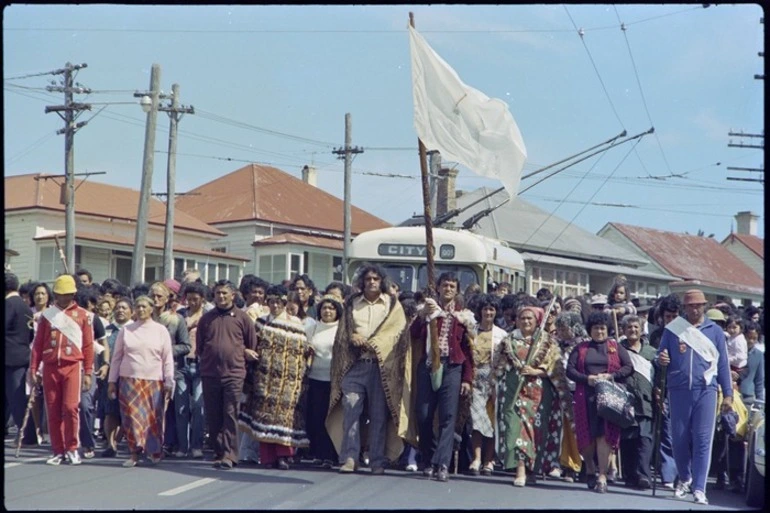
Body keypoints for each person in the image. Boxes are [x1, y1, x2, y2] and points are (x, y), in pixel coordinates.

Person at [327, 264, 410, 476]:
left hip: (382, 368)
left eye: (375, 279)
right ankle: (350, 458)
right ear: (362, 282)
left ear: (381, 281)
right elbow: (343, 333)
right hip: (354, 365)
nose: (372, 282)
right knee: (350, 409)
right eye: (368, 279)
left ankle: (376, 460)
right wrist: (352, 336)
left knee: (378, 415)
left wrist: (377, 344)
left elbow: (398, 334)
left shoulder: (392, 305)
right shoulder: (351, 304)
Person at [657, 289, 733, 505]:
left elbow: (723, 365)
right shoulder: (674, 329)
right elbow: (661, 355)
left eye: (698, 305)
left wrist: (727, 394)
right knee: (679, 438)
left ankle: (699, 487)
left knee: (702, 440)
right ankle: (685, 477)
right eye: (690, 305)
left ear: (704, 306)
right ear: (685, 307)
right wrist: (662, 358)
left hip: (706, 390)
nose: (694, 308)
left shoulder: (715, 331)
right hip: (679, 389)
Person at [494, 305, 573, 487]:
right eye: (522, 318)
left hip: (538, 395)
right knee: (515, 429)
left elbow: (555, 369)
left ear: (537, 321)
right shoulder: (509, 340)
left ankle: (532, 469)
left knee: (535, 433)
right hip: (513, 392)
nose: (526, 322)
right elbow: (498, 366)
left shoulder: (547, 342)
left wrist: (536, 371)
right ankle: (520, 469)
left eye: (530, 319)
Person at [411, 272, 475, 482]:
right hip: (429, 366)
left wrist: (467, 378)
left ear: (457, 291)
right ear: (438, 288)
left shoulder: (463, 316)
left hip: (453, 367)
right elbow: (413, 334)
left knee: (448, 417)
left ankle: (442, 463)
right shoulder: (427, 310)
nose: (448, 289)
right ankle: (428, 459)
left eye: (452, 286)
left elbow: (468, 350)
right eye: (445, 285)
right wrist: (424, 317)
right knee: (424, 414)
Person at [238, 284, 311, 469]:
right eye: (271, 302)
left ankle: (284, 457)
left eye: (278, 302)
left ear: (285, 303)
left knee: (285, 418)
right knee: (265, 417)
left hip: (289, 381)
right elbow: (253, 346)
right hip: (264, 379)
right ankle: (268, 457)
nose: (275, 306)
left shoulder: (296, 324)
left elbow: (301, 355)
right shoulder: (261, 322)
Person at [29, 274, 95, 466]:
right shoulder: (47, 315)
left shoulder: (83, 315)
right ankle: (58, 450)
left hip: (73, 366)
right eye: (60, 294)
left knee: (70, 407)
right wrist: (34, 368)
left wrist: (89, 372)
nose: (63, 297)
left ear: (73, 293)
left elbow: (89, 346)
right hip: (50, 367)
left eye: (67, 294)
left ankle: (72, 448)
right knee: (53, 409)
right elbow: (38, 344)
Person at [566, 311, 633, 494]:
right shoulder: (580, 348)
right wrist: (587, 379)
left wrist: (611, 376)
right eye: (596, 328)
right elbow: (570, 370)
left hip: (608, 398)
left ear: (607, 329)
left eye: (602, 328)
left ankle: (602, 475)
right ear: (590, 330)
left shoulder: (616, 347)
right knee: (587, 436)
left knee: (604, 435)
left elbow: (628, 368)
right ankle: (589, 468)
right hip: (585, 397)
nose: (599, 332)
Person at [107, 295, 174, 467]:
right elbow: (116, 357)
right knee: (131, 418)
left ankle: (154, 451)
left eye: (144, 306)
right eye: (138, 306)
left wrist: (169, 381)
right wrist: (112, 381)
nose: (141, 309)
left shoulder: (161, 330)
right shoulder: (126, 330)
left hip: (154, 381)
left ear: (152, 309)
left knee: (153, 419)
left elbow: (167, 358)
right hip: (129, 381)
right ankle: (134, 454)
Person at [197, 280, 258, 470]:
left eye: (225, 293)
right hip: (210, 373)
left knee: (230, 413)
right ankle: (218, 452)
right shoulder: (206, 319)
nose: (221, 297)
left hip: (234, 373)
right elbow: (199, 347)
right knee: (213, 415)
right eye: (217, 294)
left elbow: (251, 345)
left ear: (233, 295)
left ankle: (230, 455)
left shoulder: (242, 318)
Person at [148, 281, 191, 457]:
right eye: (153, 296)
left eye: (159, 296)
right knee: (154, 410)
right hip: (150, 370)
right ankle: (156, 444)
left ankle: (180, 446)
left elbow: (186, 346)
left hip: (175, 370)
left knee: (179, 410)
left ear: (167, 298)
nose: (155, 299)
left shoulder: (176, 318)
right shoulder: (144, 318)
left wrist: (166, 351)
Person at [467, 294, 506, 476]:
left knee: (491, 421)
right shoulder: (472, 330)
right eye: (485, 309)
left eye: (491, 309)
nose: (488, 312)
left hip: (494, 380)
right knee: (476, 420)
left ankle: (489, 461)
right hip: (475, 379)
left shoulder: (502, 335)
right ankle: (476, 458)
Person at [618, 314, 657, 490]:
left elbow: (658, 376)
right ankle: (630, 474)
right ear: (624, 330)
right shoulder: (618, 350)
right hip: (626, 400)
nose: (633, 330)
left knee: (645, 438)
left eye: (636, 327)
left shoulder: (651, 352)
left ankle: (643, 474)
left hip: (647, 401)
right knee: (628, 439)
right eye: (629, 327)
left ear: (641, 330)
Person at [305, 294, 343, 468]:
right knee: (316, 418)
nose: (327, 311)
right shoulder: (312, 328)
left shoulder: (342, 328)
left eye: (331, 308)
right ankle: (319, 453)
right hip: (315, 378)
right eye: (324, 308)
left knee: (332, 419)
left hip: (334, 380)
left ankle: (332, 455)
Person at [552, 311, 586, 482]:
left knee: (576, 430)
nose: (561, 332)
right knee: (561, 430)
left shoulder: (583, 346)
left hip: (577, 390)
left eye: (565, 329)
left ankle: (575, 466)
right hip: (559, 390)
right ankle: (561, 464)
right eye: (559, 329)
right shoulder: (556, 345)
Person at [176, 282, 207, 459]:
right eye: (189, 299)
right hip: (181, 363)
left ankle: (197, 445)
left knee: (198, 405)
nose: (193, 303)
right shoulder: (180, 315)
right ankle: (182, 446)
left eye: (196, 299)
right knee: (181, 406)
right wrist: (188, 327)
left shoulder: (208, 316)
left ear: (202, 299)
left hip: (201, 363)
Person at [100, 297, 133, 457]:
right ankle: (111, 444)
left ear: (131, 311)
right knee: (110, 411)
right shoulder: (107, 329)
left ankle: (125, 441)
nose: (120, 310)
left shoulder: (135, 329)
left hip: (131, 376)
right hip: (111, 376)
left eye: (124, 308)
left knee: (128, 411)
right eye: (118, 307)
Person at [6, 272, 34, 443]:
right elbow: (31, 333)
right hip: (22, 355)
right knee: (17, 397)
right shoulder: (25, 307)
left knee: (16, 399)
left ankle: (26, 434)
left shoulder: (9, 304)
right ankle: (27, 433)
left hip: (10, 358)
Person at [739, 321, 765, 406]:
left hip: (748, 396)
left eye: (754, 338)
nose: (751, 341)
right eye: (748, 337)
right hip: (732, 393)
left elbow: (759, 379)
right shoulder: (734, 352)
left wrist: (760, 400)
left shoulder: (758, 355)